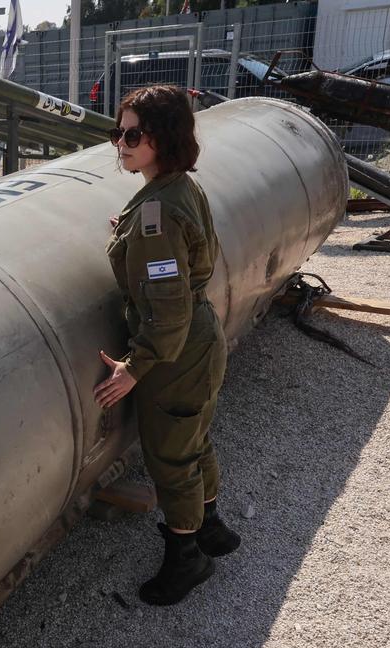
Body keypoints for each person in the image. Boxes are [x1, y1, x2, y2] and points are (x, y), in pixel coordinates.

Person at [93, 85, 241, 607]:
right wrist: (132, 235)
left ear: (163, 138)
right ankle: (211, 528)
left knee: (170, 458)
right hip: (200, 341)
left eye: (132, 134)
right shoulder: (179, 188)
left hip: (175, 353)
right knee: (194, 439)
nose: (121, 143)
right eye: (118, 132)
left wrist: (134, 368)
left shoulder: (156, 214)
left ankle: (187, 559)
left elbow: (168, 310)